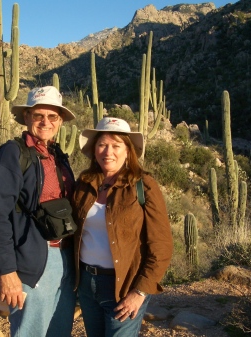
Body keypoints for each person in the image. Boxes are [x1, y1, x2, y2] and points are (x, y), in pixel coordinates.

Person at [0, 86, 77, 337]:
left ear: (60, 121)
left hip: (64, 257)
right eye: (38, 115)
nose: (45, 122)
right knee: (31, 332)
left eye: (52, 116)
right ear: (26, 118)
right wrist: (7, 271)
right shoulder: (12, 154)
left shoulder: (57, 155)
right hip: (33, 259)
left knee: (59, 331)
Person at [72, 117, 173, 337]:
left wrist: (140, 292)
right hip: (87, 284)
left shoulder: (143, 185)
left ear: (128, 151)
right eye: (102, 145)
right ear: (94, 149)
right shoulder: (85, 183)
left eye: (116, 145)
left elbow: (161, 245)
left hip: (124, 287)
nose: (108, 152)